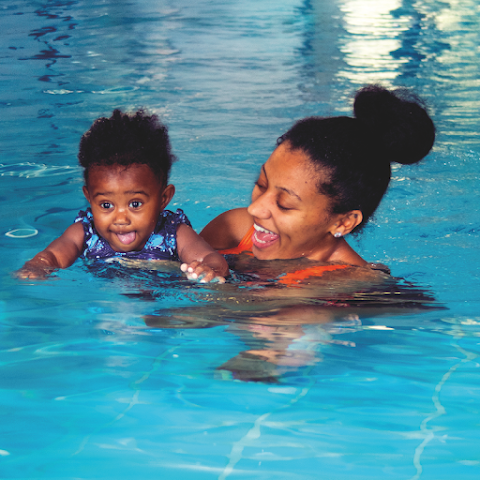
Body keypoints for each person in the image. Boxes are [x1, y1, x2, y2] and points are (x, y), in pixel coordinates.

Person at [200, 85, 435, 280]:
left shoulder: (353, 282)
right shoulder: (236, 228)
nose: (255, 208)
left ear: (343, 222)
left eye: (284, 204)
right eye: (261, 185)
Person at [16, 109, 229, 283]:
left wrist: (209, 269)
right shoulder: (83, 234)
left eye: (135, 204)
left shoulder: (176, 234)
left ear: (164, 198)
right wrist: (38, 265)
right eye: (106, 205)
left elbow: (211, 258)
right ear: (89, 198)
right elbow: (53, 256)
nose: (121, 219)